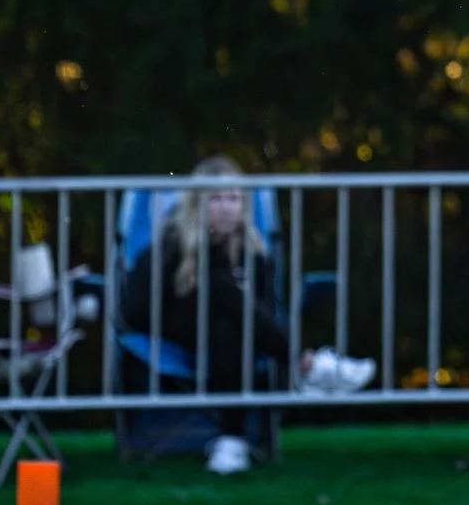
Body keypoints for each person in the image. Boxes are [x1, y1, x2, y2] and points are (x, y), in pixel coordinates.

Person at [118, 158, 375, 475]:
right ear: (198, 203)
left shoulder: (251, 246)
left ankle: (231, 442)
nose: (226, 207)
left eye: (234, 198)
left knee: (227, 326)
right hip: (166, 324)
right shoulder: (173, 239)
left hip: (228, 333)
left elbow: (262, 310)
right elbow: (139, 306)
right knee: (222, 290)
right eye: (216, 198)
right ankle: (304, 364)